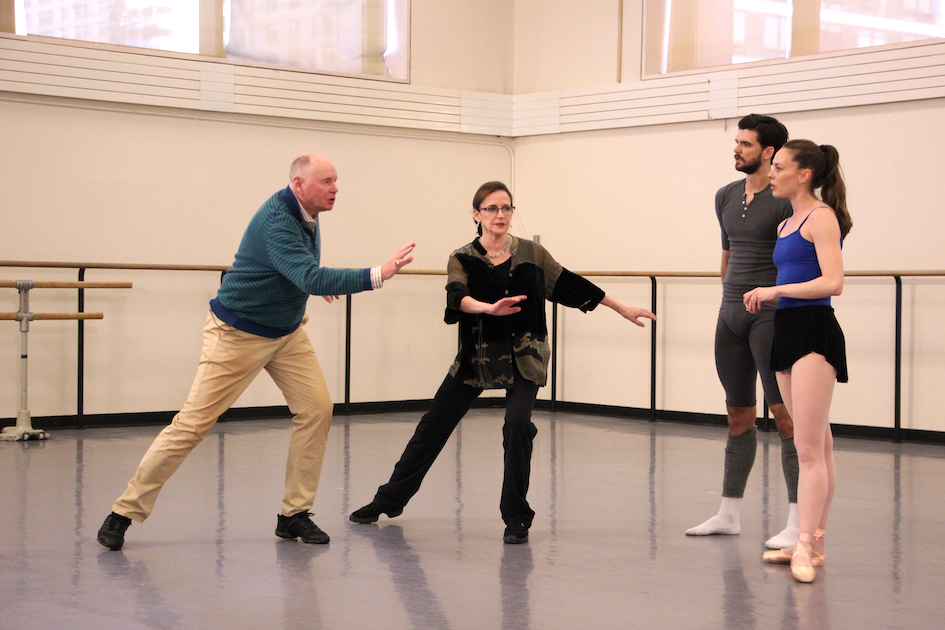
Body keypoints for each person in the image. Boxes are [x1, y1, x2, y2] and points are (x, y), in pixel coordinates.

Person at [96, 153, 416, 550]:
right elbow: (307, 273)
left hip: (287, 335)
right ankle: (124, 511)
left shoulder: (308, 214)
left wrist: (309, 284)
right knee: (192, 425)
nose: (335, 188)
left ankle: (294, 514)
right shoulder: (278, 220)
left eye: (336, 180)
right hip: (237, 334)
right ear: (299, 184)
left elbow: (298, 272)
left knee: (317, 408)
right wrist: (376, 275)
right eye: (327, 181)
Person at [348, 181, 656, 544]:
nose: (501, 215)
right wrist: (487, 308)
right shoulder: (462, 257)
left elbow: (569, 284)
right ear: (476, 214)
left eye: (507, 208)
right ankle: (389, 500)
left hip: (526, 355)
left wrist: (621, 308)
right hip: (477, 356)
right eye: (492, 209)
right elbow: (457, 298)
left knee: (517, 424)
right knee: (433, 427)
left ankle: (516, 516)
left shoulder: (532, 253)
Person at [686, 114, 801, 550]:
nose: (737, 149)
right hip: (731, 313)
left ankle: (796, 520)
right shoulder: (726, 195)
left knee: (786, 417)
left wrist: (774, 296)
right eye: (736, 142)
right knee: (738, 414)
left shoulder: (785, 200)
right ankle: (728, 513)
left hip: (770, 316)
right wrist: (728, 298)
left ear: (769, 152)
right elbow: (727, 255)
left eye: (746, 144)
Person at [744, 139, 851, 583]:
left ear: (803, 174)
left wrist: (776, 290)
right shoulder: (788, 221)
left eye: (780, 167)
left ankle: (805, 543)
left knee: (808, 449)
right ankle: (814, 540)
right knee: (817, 443)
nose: (772, 172)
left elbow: (834, 282)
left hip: (813, 330)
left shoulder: (821, 218)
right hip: (786, 332)